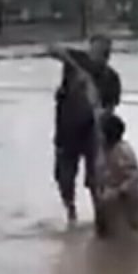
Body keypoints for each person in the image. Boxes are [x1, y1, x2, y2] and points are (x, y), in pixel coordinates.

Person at [47, 34, 121, 227]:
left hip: (92, 135)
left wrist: (100, 111)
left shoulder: (111, 78)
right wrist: (72, 64)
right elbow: (52, 48)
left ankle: (100, 217)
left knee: (96, 180)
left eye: (103, 52)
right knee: (64, 178)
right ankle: (71, 214)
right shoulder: (77, 61)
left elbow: (111, 109)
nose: (97, 56)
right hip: (67, 130)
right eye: (94, 50)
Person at [94, 113, 138, 236]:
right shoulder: (104, 150)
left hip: (131, 201)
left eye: (99, 131)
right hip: (113, 201)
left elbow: (135, 175)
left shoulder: (122, 151)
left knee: (133, 239)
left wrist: (121, 191)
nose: (97, 134)